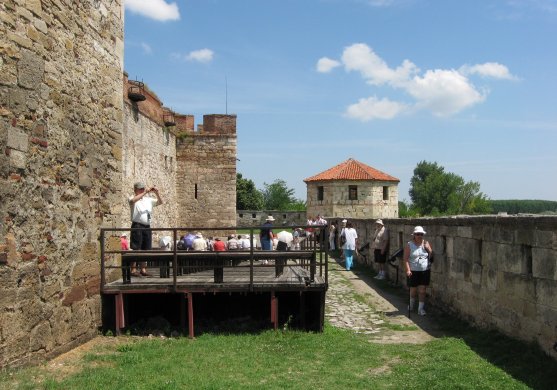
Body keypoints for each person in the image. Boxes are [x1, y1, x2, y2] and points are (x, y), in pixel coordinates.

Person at [129, 182, 163, 276]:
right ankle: (133, 270)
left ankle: (143, 269)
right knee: (136, 248)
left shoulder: (148, 200)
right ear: (135, 189)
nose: (142, 190)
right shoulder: (132, 198)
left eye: (143, 189)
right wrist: (145, 192)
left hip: (147, 226)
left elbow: (160, 202)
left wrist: (157, 193)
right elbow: (132, 201)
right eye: (140, 189)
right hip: (137, 225)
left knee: (146, 248)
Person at [403, 226, 433, 316]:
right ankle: (411, 305)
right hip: (413, 270)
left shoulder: (426, 243)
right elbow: (406, 259)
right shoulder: (409, 245)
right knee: (413, 290)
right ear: (414, 235)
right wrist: (408, 270)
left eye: (421, 234)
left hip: (424, 270)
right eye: (417, 234)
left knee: (422, 290)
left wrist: (429, 249)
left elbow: (431, 256)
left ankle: (421, 309)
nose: (419, 236)